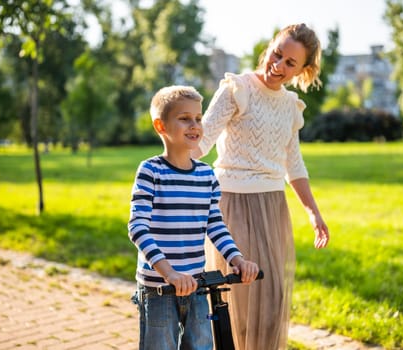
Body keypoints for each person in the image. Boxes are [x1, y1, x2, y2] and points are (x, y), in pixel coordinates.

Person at [191, 23, 331, 350]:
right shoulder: (236, 89)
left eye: (290, 63)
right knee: (235, 299)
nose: (278, 66)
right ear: (269, 47)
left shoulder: (291, 107)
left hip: (272, 208)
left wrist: (313, 213)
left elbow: (293, 164)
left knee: (270, 301)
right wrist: (170, 166)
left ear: (303, 70)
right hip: (231, 204)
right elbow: (204, 139)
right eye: (277, 54)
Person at [128, 85, 260, 350]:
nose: (195, 125)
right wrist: (169, 274)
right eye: (184, 118)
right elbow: (137, 227)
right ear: (160, 126)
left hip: (196, 284)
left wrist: (237, 259)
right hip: (159, 289)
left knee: (200, 346)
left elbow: (215, 225)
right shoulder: (151, 171)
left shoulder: (205, 175)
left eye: (198, 118)